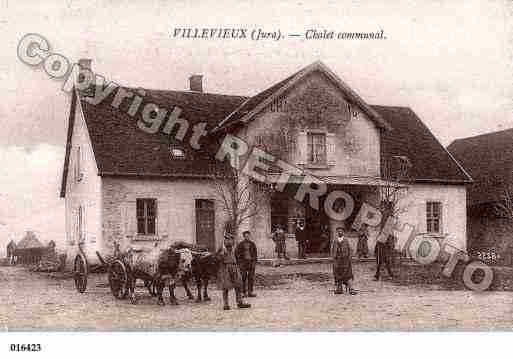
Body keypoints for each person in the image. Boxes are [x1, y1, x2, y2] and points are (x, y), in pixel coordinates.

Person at [216, 234, 251, 310]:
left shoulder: (234, 248)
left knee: (238, 284)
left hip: (234, 267)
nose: (229, 241)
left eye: (231, 239)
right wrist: (221, 255)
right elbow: (217, 258)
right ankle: (226, 304)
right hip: (225, 267)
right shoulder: (221, 248)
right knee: (225, 286)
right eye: (227, 239)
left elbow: (238, 256)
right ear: (224, 240)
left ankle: (240, 302)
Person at [331, 226, 357, 295]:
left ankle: (351, 288)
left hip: (345, 260)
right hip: (337, 260)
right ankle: (339, 288)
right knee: (337, 274)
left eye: (341, 231)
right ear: (337, 232)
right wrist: (334, 258)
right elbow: (333, 250)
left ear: (343, 232)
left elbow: (351, 250)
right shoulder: (335, 240)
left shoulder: (346, 240)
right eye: (338, 231)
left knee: (348, 274)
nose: (340, 232)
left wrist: (349, 258)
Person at [235, 230, 258, 297]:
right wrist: (239, 262)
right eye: (246, 236)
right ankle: (243, 292)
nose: (247, 237)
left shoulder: (252, 244)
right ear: (244, 237)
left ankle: (250, 292)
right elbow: (237, 254)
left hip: (251, 263)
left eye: (248, 236)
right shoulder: (240, 244)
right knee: (243, 277)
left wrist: (254, 262)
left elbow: (255, 254)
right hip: (243, 263)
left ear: (249, 236)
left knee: (251, 278)